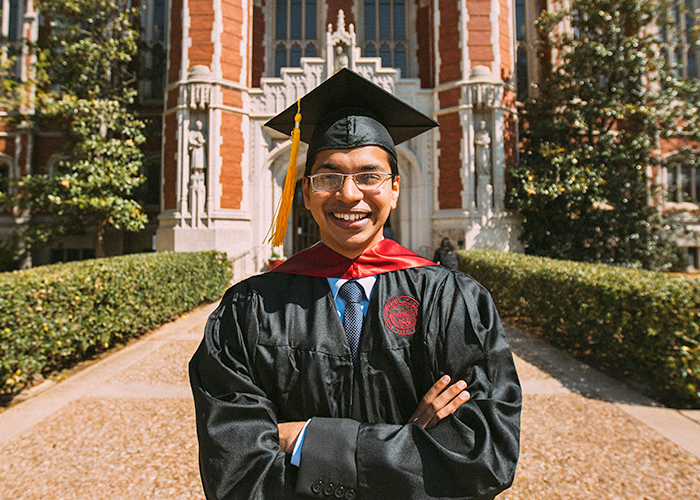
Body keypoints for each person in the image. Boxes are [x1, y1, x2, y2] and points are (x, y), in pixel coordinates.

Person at [189, 68, 521, 500]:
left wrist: (304, 441)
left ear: (395, 189)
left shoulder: (453, 301)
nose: (348, 194)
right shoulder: (249, 310)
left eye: (369, 176)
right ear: (305, 192)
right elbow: (234, 472)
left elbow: (484, 455)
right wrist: (408, 438)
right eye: (329, 177)